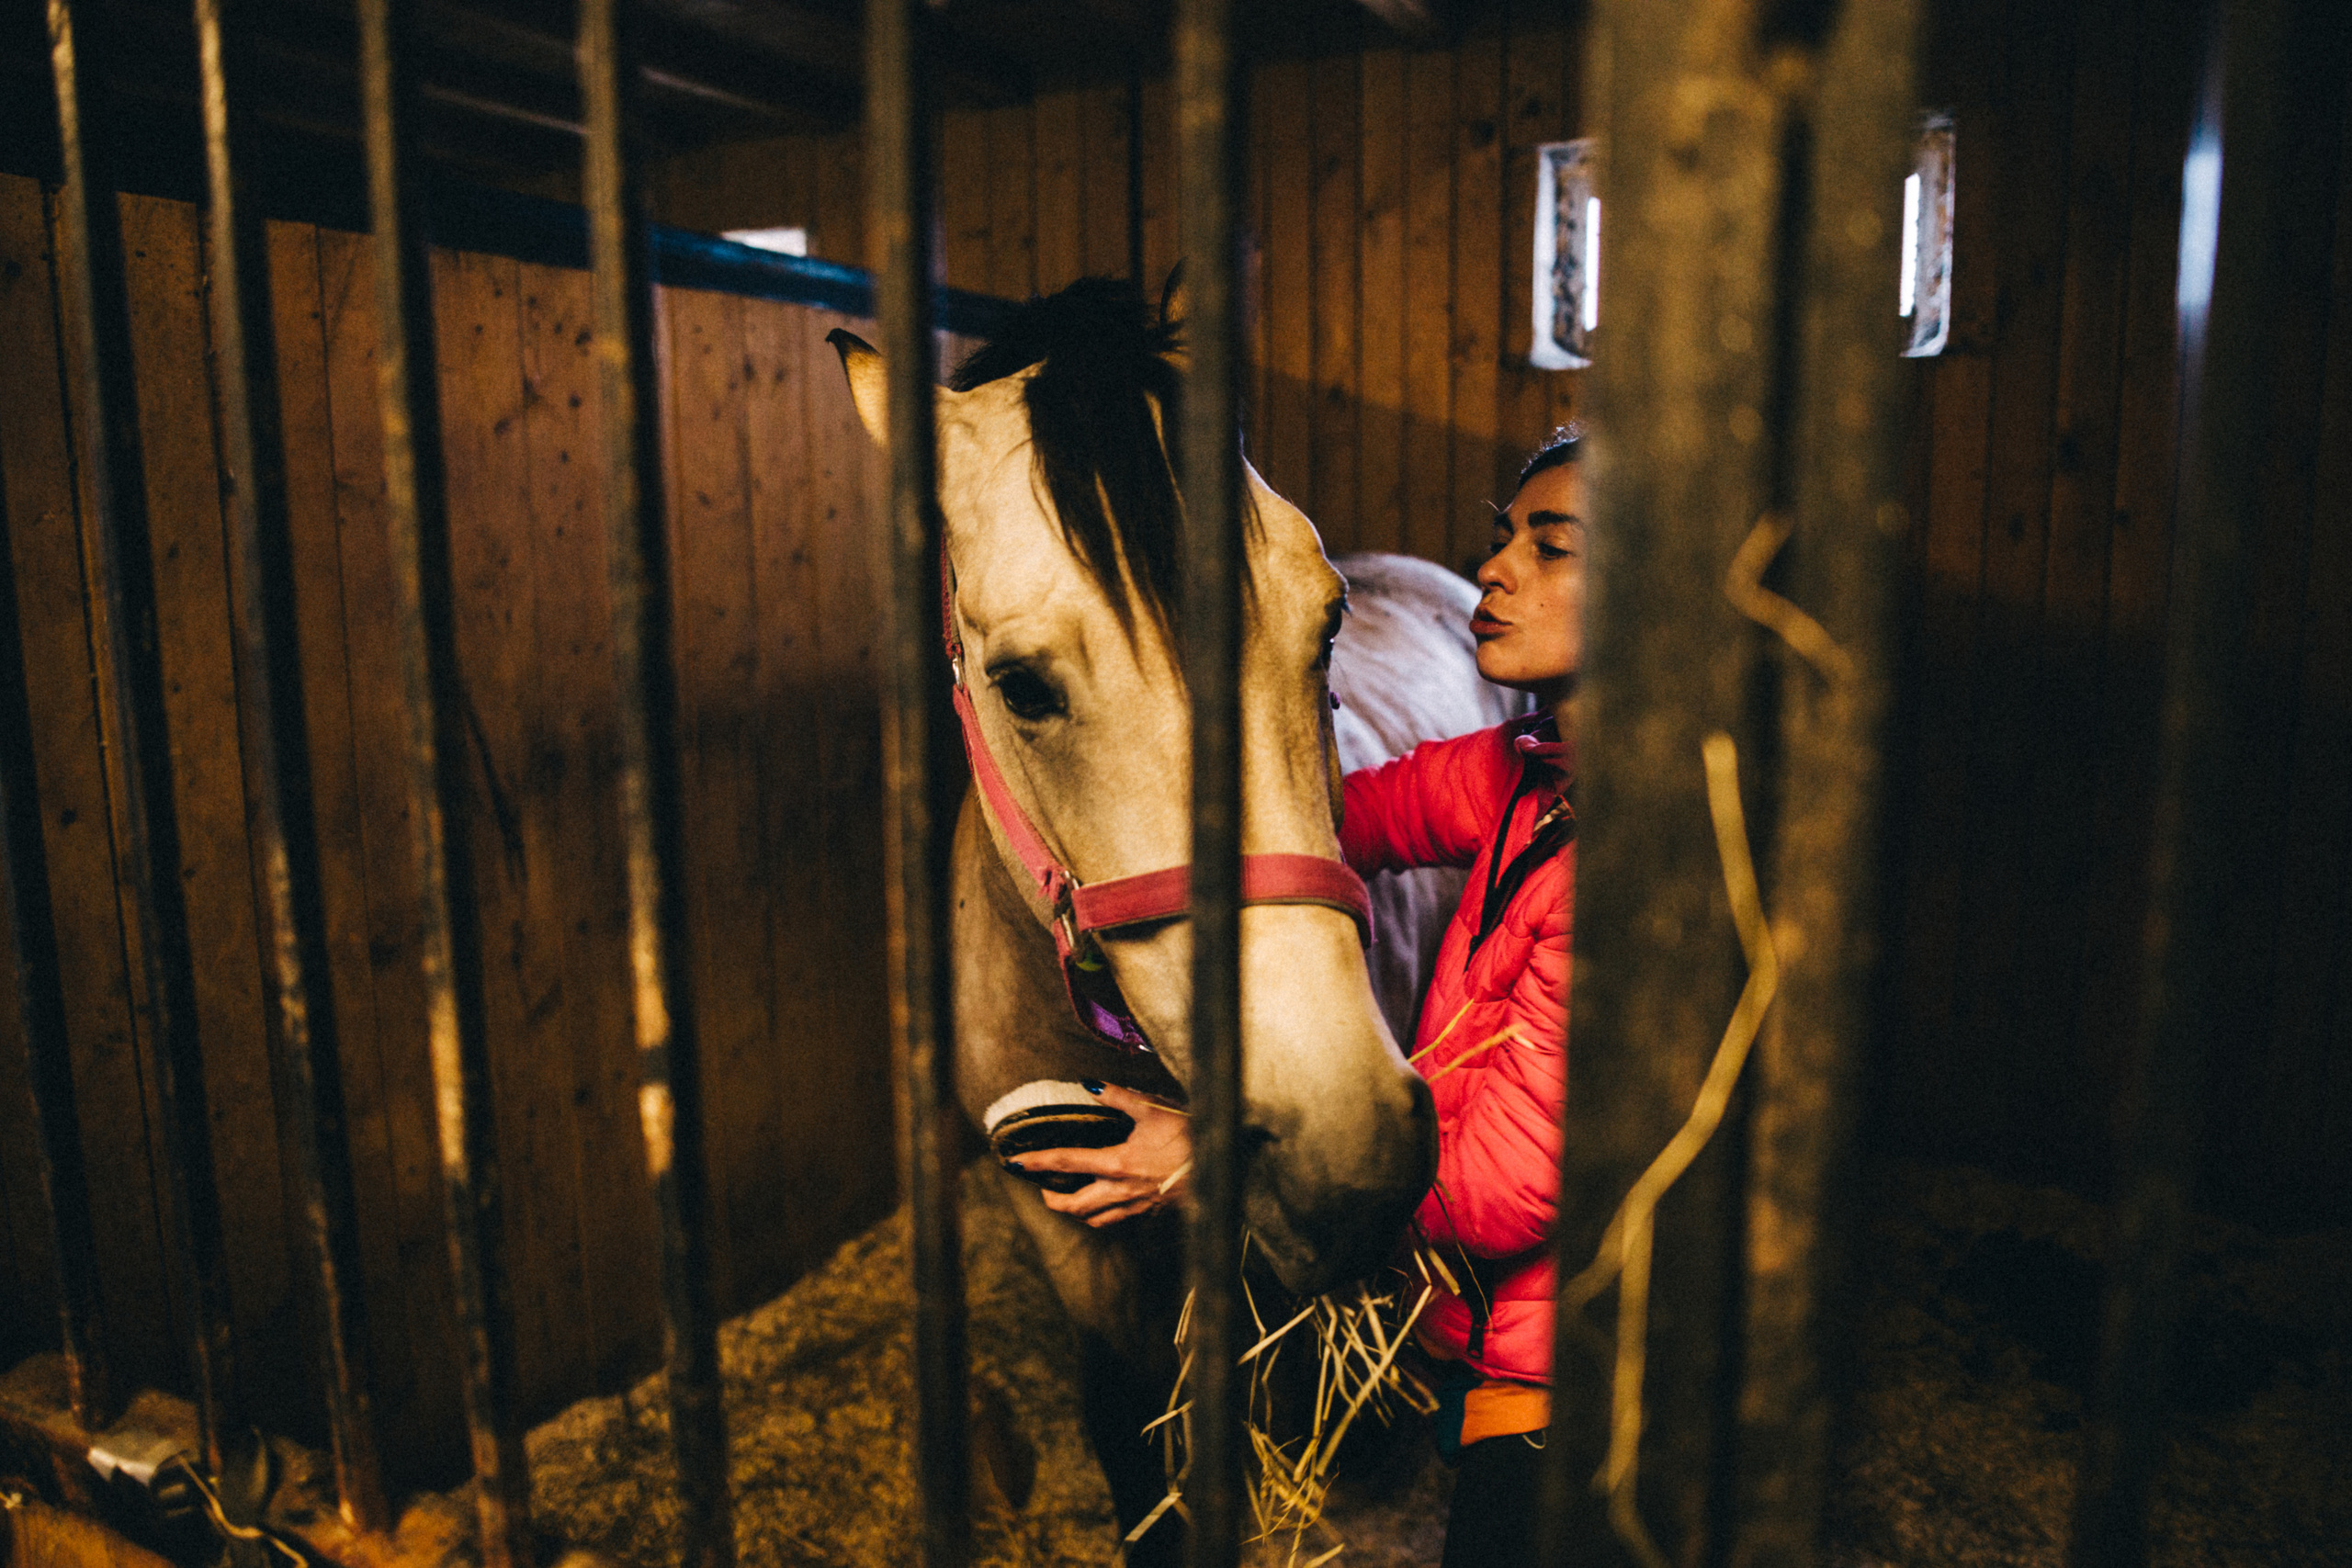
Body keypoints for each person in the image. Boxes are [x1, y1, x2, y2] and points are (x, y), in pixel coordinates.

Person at [1019, 430, 1587, 1563]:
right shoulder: (1530, 772)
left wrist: (1203, 1155)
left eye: (1550, 546)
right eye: (1499, 537)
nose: (1492, 570)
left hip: (1573, 1367)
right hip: (1495, 1345)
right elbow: (1347, 816)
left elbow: (1496, 1202)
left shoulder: (1631, 868)